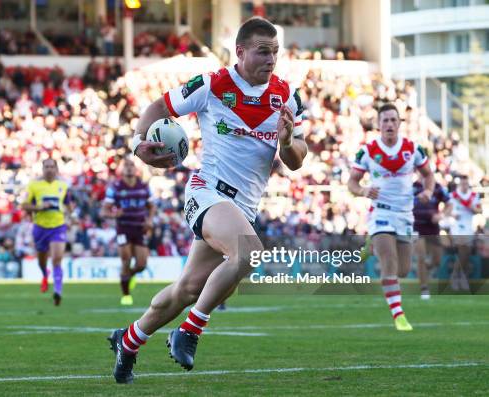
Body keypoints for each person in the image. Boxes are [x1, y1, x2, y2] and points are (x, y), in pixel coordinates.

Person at [108, 17, 307, 383]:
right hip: (207, 192)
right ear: (241, 51)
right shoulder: (213, 84)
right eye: (263, 51)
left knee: (187, 289)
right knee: (249, 252)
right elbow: (157, 108)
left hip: (243, 208)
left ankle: (129, 339)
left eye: (276, 52)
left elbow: (297, 160)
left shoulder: (287, 96)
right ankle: (189, 331)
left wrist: (288, 143)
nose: (271, 59)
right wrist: (138, 143)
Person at [348, 103, 435, 332]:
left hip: (405, 215)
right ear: (378, 124)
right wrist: (364, 191)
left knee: (404, 270)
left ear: (399, 123)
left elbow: (428, 176)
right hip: (381, 212)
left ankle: (372, 246)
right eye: (385, 120)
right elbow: (352, 183)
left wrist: (427, 191)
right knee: (389, 262)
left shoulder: (413, 149)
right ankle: (399, 316)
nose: (389, 124)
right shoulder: (367, 151)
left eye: (393, 120)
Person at [100, 157, 154, 305]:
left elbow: (151, 206)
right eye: (126, 165)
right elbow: (104, 211)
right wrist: (113, 214)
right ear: (121, 169)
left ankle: (128, 276)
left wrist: (149, 220)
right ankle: (126, 295)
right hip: (123, 228)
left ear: (136, 169)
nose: (129, 168)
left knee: (141, 265)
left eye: (132, 165)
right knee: (126, 259)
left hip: (139, 228)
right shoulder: (115, 187)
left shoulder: (144, 186)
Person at [22, 158, 72, 306]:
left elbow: (69, 205)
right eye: (47, 167)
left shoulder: (63, 185)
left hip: (58, 226)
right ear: (42, 169)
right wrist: (39, 207)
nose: (49, 169)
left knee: (57, 259)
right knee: (42, 261)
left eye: (52, 167)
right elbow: (24, 205)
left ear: (56, 169)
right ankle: (45, 274)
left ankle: (58, 291)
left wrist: (71, 216)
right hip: (40, 227)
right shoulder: (34, 185)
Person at [412, 180, 452, 299]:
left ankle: (425, 270)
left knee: (437, 260)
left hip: (433, 228)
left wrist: (441, 215)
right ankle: (424, 289)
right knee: (421, 257)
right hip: (416, 226)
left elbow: (449, 204)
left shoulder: (438, 187)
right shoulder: (413, 187)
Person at [448, 175, 481, 291]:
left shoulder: (473, 196)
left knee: (466, 252)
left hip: (468, 226)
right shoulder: (453, 196)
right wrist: (453, 214)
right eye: (462, 184)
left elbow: (479, 210)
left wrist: (473, 208)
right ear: (459, 184)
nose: (464, 186)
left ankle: (458, 274)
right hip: (456, 227)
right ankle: (458, 276)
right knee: (463, 246)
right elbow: (447, 211)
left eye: (466, 184)